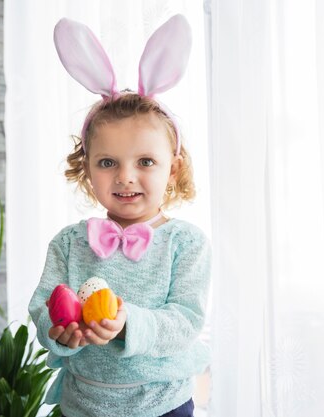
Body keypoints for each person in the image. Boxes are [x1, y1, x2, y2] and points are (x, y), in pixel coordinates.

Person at [28, 15, 210, 417]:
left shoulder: (186, 243)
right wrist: (59, 331)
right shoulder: (69, 243)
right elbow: (43, 307)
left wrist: (129, 322)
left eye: (146, 161)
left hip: (163, 403)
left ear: (173, 169)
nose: (126, 177)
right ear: (86, 168)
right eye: (108, 162)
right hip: (84, 404)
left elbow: (186, 320)